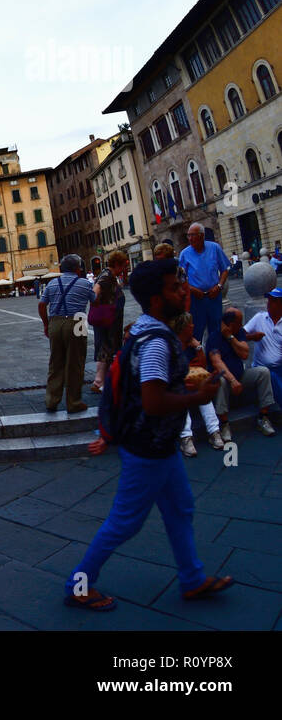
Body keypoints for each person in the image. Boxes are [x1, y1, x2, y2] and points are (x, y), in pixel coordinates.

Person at [65, 258, 233, 611]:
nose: (183, 290)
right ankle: (78, 584)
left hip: (160, 445)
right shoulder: (156, 341)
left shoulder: (144, 328)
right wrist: (197, 396)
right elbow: (153, 401)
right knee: (124, 523)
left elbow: (151, 387)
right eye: (176, 286)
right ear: (157, 299)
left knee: (179, 508)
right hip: (147, 447)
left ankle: (192, 578)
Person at [206, 306, 276, 441]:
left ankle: (263, 417)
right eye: (240, 322)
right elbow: (217, 362)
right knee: (220, 380)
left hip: (241, 376)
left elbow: (244, 354)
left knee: (263, 372)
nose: (242, 325)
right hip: (226, 380)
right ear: (232, 324)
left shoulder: (238, 334)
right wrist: (232, 380)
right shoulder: (214, 337)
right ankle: (224, 424)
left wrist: (230, 337)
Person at [38, 254, 96, 413]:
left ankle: (51, 401)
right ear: (78, 269)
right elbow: (95, 301)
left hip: (55, 322)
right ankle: (74, 402)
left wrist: (46, 324)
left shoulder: (52, 283)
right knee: (76, 363)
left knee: (55, 363)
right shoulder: (85, 283)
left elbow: (42, 305)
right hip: (78, 320)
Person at [168, 312, 222, 456]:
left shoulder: (192, 344)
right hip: (176, 387)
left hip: (191, 383)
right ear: (183, 327)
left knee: (204, 394)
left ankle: (214, 431)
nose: (193, 326)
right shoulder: (171, 346)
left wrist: (198, 348)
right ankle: (186, 437)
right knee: (180, 394)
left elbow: (201, 366)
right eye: (190, 324)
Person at [179, 222, 230, 343]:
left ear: (201, 236)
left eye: (193, 235)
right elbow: (180, 278)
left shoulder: (214, 248)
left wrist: (219, 286)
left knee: (216, 330)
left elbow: (225, 269)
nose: (190, 238)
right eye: (188, 235)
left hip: (214, 296)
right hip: (196, 298)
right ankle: (197, 358)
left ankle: (214, 355)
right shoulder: (184, 254)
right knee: (196, 330)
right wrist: (192, 289)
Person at [242, 287, 282, 436]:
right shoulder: (260, 318)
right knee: (269, 375)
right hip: (263, 369)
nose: (269, 304)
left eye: (274, 301)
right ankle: (263, 418)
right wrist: (253, 337)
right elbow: (241, 335)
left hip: (280, 367)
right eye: (269, 301)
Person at [89, 252, 128, 391]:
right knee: (107, 346)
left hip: (110, 318)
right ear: (117, 264)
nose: (125, 269)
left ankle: (101, 380)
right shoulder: (106, 276)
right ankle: (101, 381)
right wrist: (98, 304)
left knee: (105, 346)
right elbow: (95, 291)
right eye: (124, 266)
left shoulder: (107, 275)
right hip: (107, 319)